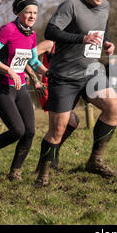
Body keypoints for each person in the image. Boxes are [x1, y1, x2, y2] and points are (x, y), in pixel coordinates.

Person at [35, 0, 117, 187]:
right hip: (64, 76)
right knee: (57, 130)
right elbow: (51, 32)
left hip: (92, 71)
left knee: (113, 108)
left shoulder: (106, 6)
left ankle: (96, 160)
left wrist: (107, 42)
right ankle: (42, 174)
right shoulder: (71, 5)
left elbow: (103, 28)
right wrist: (81, 39)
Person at [0, 0, 48, 181]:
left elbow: (33, 61)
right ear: (19, 13)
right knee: (18, 130)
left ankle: (15, 172)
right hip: (2, 86)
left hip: (20, 88)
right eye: (28, 12)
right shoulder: (7, 30)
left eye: (35, 12)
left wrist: (48, 73)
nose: (32, 16)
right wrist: (9, 70)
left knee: (30, 131)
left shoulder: (31, 34)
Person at [25, 40, 80, 171]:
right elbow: (27, 58)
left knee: (70, 124)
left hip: (64, 89)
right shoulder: (50, 44)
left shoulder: (73, 45)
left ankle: (50, 157)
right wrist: (35, 79)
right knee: (65, 125)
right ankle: (45, 164)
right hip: (49, 88)